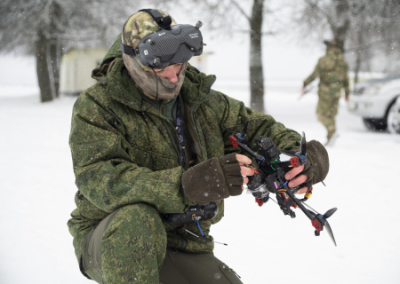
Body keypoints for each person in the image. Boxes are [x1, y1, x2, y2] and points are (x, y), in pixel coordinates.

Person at [68, 9, 330, 284]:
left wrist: (302, 155)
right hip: (110, 238)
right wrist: (187, 185)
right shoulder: (97, 106)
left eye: (179, 64)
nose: (173, 76)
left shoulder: (203, 101)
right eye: (161, 67)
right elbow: (101, 181)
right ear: (133, 62)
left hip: (186, 240)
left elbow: (258, 129)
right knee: (137, 220)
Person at [302, 39, 350, 145]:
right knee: (331, 115)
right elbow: (346, 79)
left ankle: (332, 130)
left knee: (320, 115)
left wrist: (305, 83)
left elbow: (314, 75)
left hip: (325, 92)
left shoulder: (323, 60)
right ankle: (331, 137)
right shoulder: (343, 63)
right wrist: (347, 93)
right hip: (337, 92)